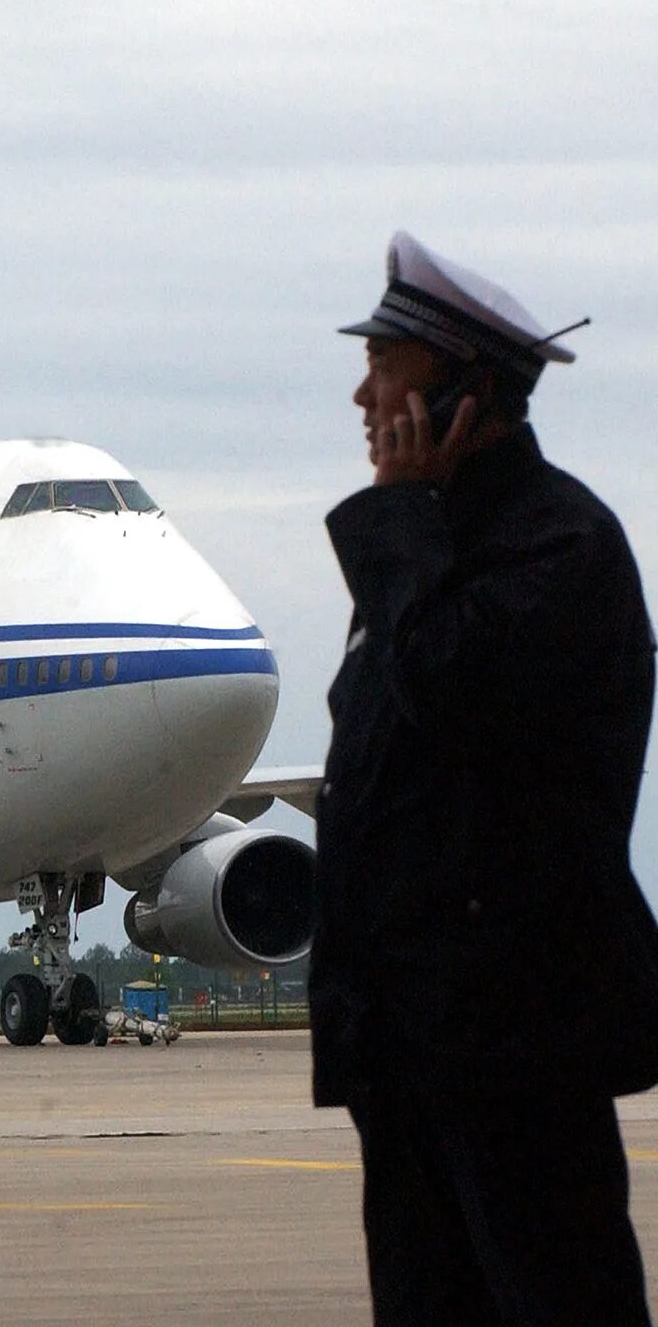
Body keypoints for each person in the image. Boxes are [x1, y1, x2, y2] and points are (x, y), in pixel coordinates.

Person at [316, 229, 658, 1324]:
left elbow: (447, 689)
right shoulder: (432, 549)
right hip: (413, 1047)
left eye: (386, 368)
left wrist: (402, 524)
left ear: (460, 396)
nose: (361, 395)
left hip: (513, 1041)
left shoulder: (556, 546)